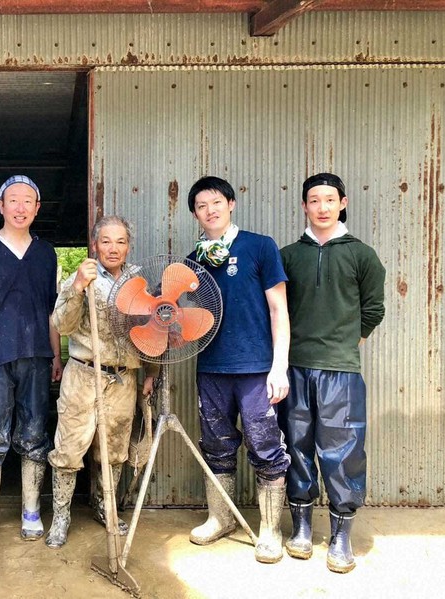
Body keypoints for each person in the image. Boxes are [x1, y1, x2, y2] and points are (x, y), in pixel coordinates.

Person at [278, 173, 386, 573]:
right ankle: (302, 526)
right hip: (295, 367)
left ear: (342, 203)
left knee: (343, 450)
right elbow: (278, 311)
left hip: (341, 370)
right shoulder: (289, 256)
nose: (321, 207)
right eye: (313, 200)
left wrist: (346, 345)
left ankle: (341, 535)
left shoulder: (362, 255)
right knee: (297, 444)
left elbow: (374, 308)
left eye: (329, 200)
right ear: (304, 206)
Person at [186, 176, 291, 563]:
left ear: (231, 204)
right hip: (211, 366)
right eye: (201, 206)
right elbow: (191, 317)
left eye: (216, 202)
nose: (210, 210)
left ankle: (270, 529)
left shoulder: (259, 246)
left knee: (265, 446)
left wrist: (279, 367)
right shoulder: (193, 259)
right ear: (195, 214)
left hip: (256, 368)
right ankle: (221, 518)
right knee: (215, 444)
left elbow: (279, 309)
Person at [0, 175, 63, 547]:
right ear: (0, 206)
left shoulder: (46, 252)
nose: (20, 207)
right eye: (13, 200)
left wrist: (56, 353)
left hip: (36, 356)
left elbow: (52, 309)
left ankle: (31, 510)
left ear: (37, 208)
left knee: (35, 435)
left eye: (28, 201)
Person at [45, 215, 155, 549]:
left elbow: (149, 334)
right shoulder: (82, 276)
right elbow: (61, 325)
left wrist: (151, 372)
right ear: (95, 244)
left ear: (128, 246)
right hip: (83, 374)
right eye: (106, 241)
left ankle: (104, 507)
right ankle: (61, 516)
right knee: (69, 448)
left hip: (123, 378)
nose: (113, 248)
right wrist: (77, 288)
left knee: (115, 450)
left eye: (120, 241)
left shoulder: (138, 283)